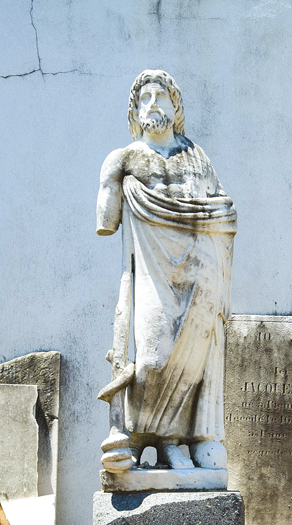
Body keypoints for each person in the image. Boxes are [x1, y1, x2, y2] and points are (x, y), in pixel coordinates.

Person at [95, 70, 237, 475]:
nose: (153, 103)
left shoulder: (197, 157)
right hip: (153, 271)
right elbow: (105, 219)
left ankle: (178, 442)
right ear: (135, 110)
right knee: (153, 359)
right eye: (145, 97)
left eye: (162, 96)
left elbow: (222, 209)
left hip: (201, 270)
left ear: (176, 108)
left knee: (194, 361)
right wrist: (110, 179)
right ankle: (141, 436)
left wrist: (223, 211)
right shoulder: (125, 158)